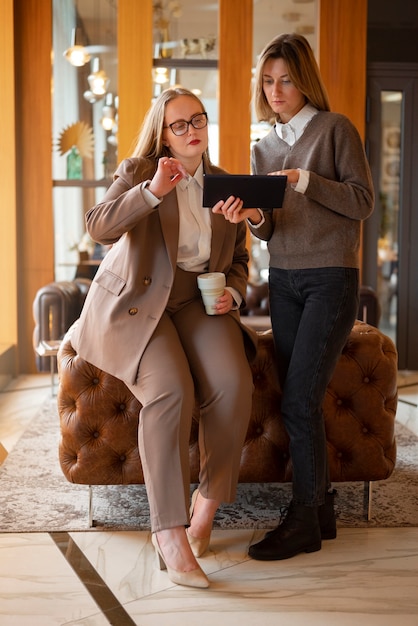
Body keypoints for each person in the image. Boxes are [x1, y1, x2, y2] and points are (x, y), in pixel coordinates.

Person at [70, 87, 257, 587]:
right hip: (139, 303)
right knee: (171, 389)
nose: (193, 129)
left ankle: (204, 512)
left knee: (234, 383)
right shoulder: (139, 171)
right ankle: (169, 532)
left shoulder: (225, 184)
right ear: (164, 133)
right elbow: (97, 226)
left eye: (199, 119)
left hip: (197, 302)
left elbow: (238, 262)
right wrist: (152, 191)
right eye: (180, 124)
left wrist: (233, 296)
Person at [213, 33, 374, 561]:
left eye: (285, 80)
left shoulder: (335, 130)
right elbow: (270, 230)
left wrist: (306, 180)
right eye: (268, 80)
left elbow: (362, 201)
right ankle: (321, 509)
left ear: (304, 80)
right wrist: (254, 216)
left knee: (300, 400)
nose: (275, 90)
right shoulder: (264, 145)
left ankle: (303, 518)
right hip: (284, 280)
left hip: (330, 279)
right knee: (297, 398)